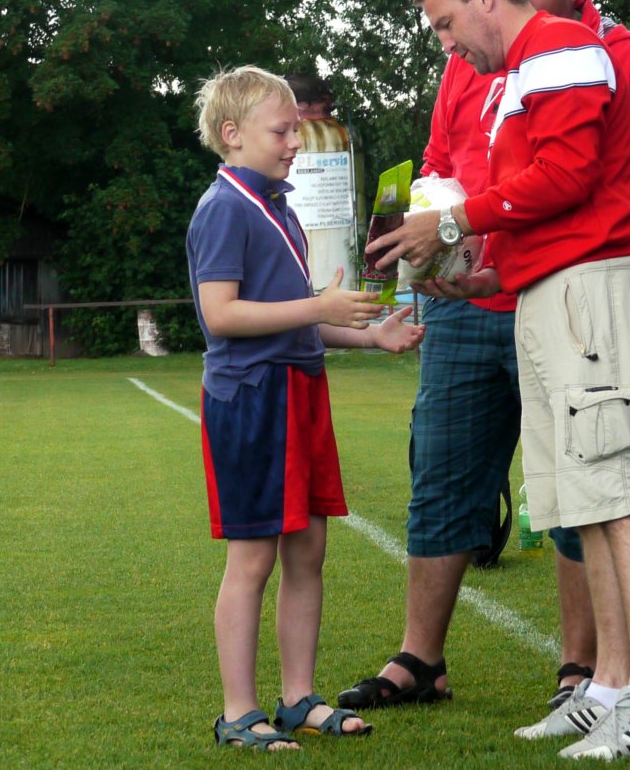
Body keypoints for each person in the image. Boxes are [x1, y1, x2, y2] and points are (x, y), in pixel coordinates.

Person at [337, 0, 630, 726]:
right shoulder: (526, 61)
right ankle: (607, 690)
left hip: (588, 290)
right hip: (544, 288)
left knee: (617, 493)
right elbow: (528, 188)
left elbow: (568, 174)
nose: (446, 44)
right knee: (580, 498)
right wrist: (492, 267)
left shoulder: (564, 48)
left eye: (446, 24)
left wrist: (455, 224)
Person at [186, 65, 424, 750]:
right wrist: (320, 305)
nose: (296, 141)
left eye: (296, 128)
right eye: (282, 130)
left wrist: (367, 335)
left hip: (300, 391)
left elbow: (298, 322)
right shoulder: (224, 206)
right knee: (253, 558)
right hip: (253, 399)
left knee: (308, 551)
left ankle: (297, 698)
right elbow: (221, 314)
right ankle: (238, 712)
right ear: (232, 133)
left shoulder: (280, 207)